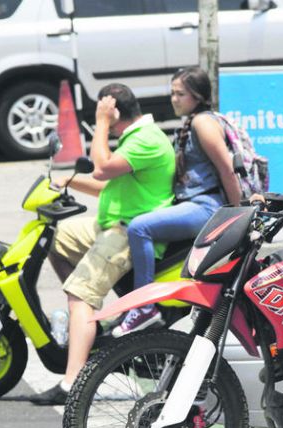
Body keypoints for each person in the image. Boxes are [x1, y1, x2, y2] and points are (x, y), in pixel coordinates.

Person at [28, 83, 176, 405]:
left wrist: (102, 123)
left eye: (104, 114)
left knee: (80, 292)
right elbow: (105, 185)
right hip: (108, 226)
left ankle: (73, 383)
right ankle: (89, 317)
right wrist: (64, 181)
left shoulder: (146, 140)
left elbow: (101, 168)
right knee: (56, 239)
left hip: (127, 234)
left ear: (115, 112)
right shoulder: (133, 141)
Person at [111, 66, 243, 337]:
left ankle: (145, 306)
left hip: (206, 206)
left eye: (179, 93)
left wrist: (238, 218)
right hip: (194, 203)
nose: (173, 99)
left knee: (140, 227)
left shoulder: (202, 123)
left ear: (196, 96)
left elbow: (227, 170)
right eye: (172, 93)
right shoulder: (192, 121)